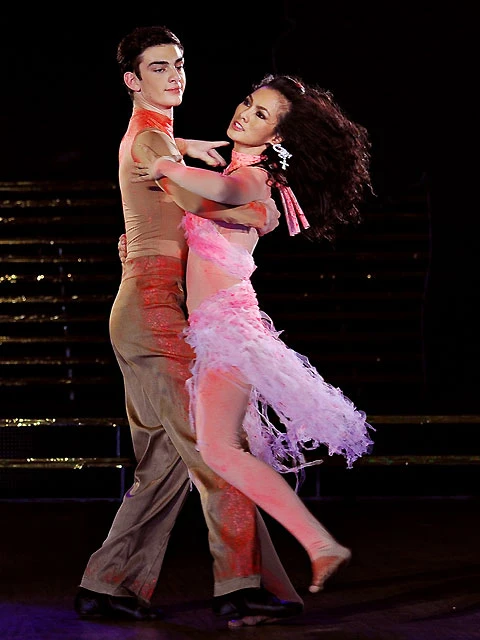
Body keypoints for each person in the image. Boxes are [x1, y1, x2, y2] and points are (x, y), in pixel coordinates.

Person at [74, 26, 304, 627]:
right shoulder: (151, 139)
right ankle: (238, 586)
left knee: (165, 463)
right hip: (152, 314)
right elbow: (188, 196)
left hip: (145, 311)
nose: (174, 75)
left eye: (178, 64)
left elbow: (155, 158)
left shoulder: (155, 135)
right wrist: (255, 210)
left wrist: (184, 148)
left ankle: (106, 584)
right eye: (158, 67)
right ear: (132, 79)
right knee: (215, 448)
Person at [132, 72, 375, 596]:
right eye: (247, 102)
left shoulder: (256, 177)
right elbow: (201, 202)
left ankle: (318, 545)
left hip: (228, 329)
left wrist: (166, 163)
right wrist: (179, 155)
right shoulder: (242, 172)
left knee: (219, 451)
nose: (244, 113)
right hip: (214, 328)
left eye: (260, 114)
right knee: (219, 449)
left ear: (277, 136)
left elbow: (214, 193)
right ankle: (306, 552)